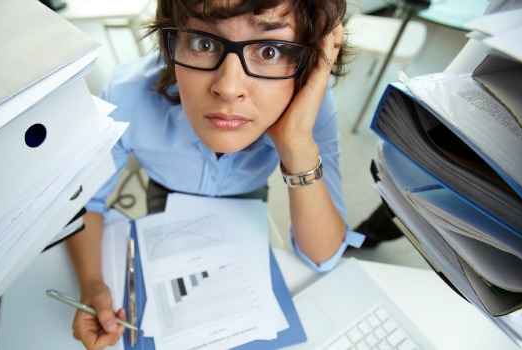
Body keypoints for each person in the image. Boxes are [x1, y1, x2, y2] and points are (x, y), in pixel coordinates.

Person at [66, 0, 362, 348]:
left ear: (308, 59)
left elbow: (322, 256)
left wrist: (297, 145)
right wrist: (91, 283)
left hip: (245, 198)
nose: (229, 87)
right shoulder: (127, 93)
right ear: (171, 40)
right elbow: (85, 202)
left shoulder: (313, 107)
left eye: (269, 50)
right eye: (203, 44)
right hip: (158, 189)